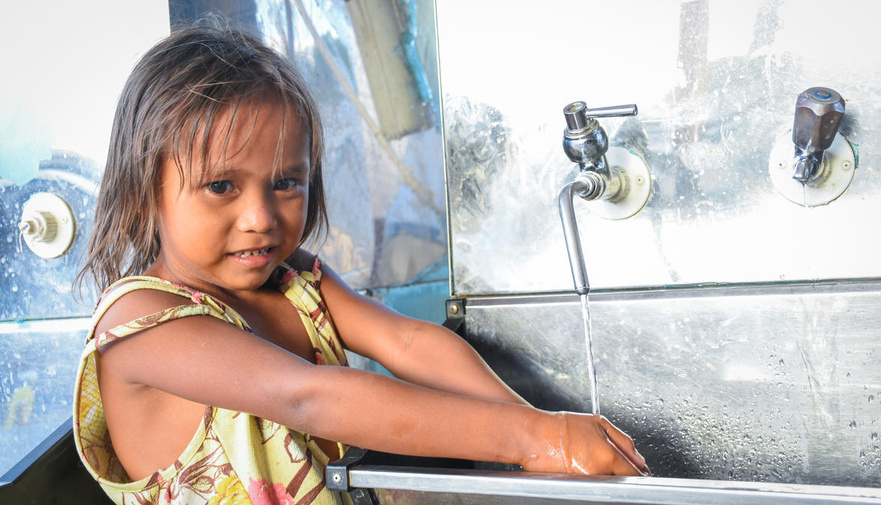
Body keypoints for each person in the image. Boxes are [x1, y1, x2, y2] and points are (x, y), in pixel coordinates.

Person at [73, 23, 650, 504]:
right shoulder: (140, 323)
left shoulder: (293, 279)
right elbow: (309, 396)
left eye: (286, 183)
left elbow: (408, 343)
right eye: (221, 185)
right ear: (146, 187)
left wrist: (542, 436)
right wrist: (535, 439)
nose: (260, 217)